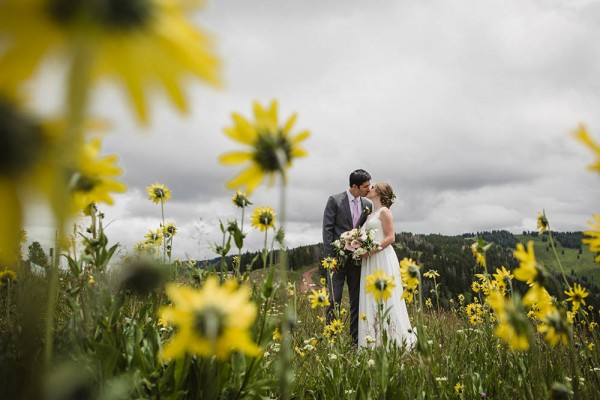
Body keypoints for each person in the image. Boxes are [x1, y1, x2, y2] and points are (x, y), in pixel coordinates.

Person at [358, 182, 416, 349]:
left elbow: (391, 237)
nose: (370, 189)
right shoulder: (371, 214)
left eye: (374, 188)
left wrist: (370, 251)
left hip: (382, 257)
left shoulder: (385, 212)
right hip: (370, 260)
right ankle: (372, 342)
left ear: (381, 193)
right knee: (370, 297)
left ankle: (393, 340)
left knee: (386, 296)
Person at [322, 169, 373, 345]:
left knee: (357, 302)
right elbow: (327, 230)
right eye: (365, 186)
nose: (369, 189)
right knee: (334, 300)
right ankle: (331, 340)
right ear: (354, 186)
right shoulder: (334, 200)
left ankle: (355, 342)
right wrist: (331, 259)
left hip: (358, 261)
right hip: (336, 261)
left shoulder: (368, 203)